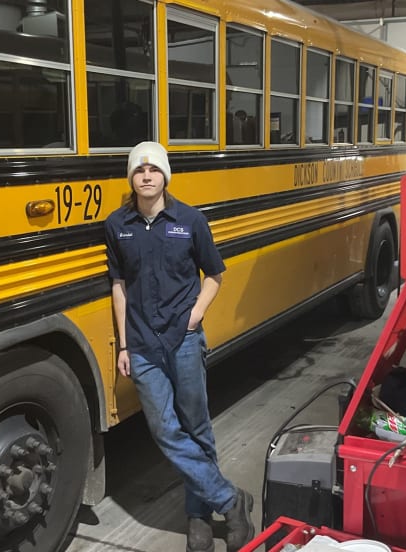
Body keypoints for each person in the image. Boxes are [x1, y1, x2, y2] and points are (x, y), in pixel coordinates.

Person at [104, 141, 255, 552]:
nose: (147, 175)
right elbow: (118, 286)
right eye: (139, 170)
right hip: (142, 345)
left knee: (196, 427)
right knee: (165, 430)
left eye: (154, 169)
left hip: (185, 339)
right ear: (131, 178)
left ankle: (199, 516)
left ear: (165, 175)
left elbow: (215, 275)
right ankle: (229, 499)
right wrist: (123, 345)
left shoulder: (189, 220)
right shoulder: (117, 225)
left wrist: (195, 315)